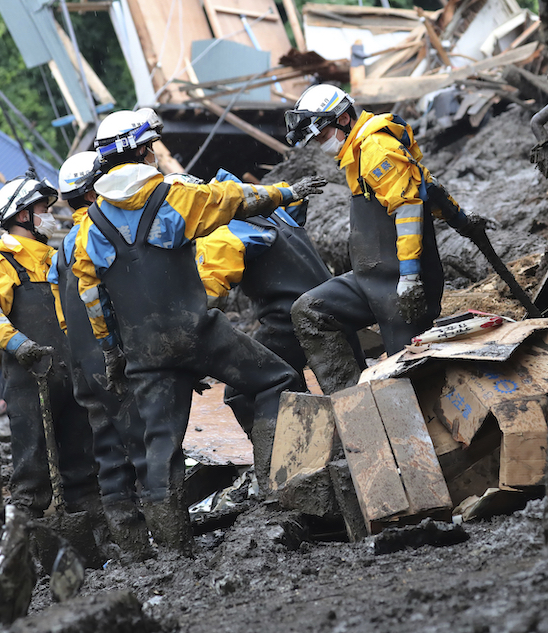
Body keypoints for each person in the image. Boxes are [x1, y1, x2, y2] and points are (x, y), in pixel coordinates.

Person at [72, 107, 325, 554]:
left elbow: (94, 301)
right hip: (199, 332)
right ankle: (277, 487)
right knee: (277, 379)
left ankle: (173, 546)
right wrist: (287, 192)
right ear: (141, 151)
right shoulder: (172, 196)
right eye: (150, 146)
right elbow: (234, 200)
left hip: (144, 354)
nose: (155, 153)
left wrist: (114, 352)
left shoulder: (88, 228)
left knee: (160, 446)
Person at [285, 84, 489, 393]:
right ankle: (351, 403)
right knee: (311, 310)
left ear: (343, 119)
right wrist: (462, 221)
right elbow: (428, 187)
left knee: (410, 380)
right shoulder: (356, 153)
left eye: (322, 135)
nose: (320, 144)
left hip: (402, 287)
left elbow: (408, 206)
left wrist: (409, 277)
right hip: (370, 280)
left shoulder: (376, 147)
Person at [0, 169, 100, 521]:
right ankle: (26, 529)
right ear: (23, 215)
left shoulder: (53, 258)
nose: (51, 215)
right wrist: (20, 345)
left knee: (81, 460)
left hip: (69, 375)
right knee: (32, 466)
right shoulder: (1, 262)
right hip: (30, 379)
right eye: (43, 208)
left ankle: (89, 520)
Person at [192, 168, 362, 432]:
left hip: (289, 321)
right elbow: (293, 213)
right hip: (333, 304)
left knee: (245, 390)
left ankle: (291, 455)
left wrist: (192, 355)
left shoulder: (221, 231)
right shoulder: (272, 205)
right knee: (355, 385)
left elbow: (212, 298)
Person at [49, 151, 151, 558]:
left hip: (83, 366)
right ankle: (168, 538)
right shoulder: (101, 233)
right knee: (145, 445)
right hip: (113, 358)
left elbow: (62, 318)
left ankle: (130, 544)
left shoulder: (60, 251)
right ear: (93, 191)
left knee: (109, 452)